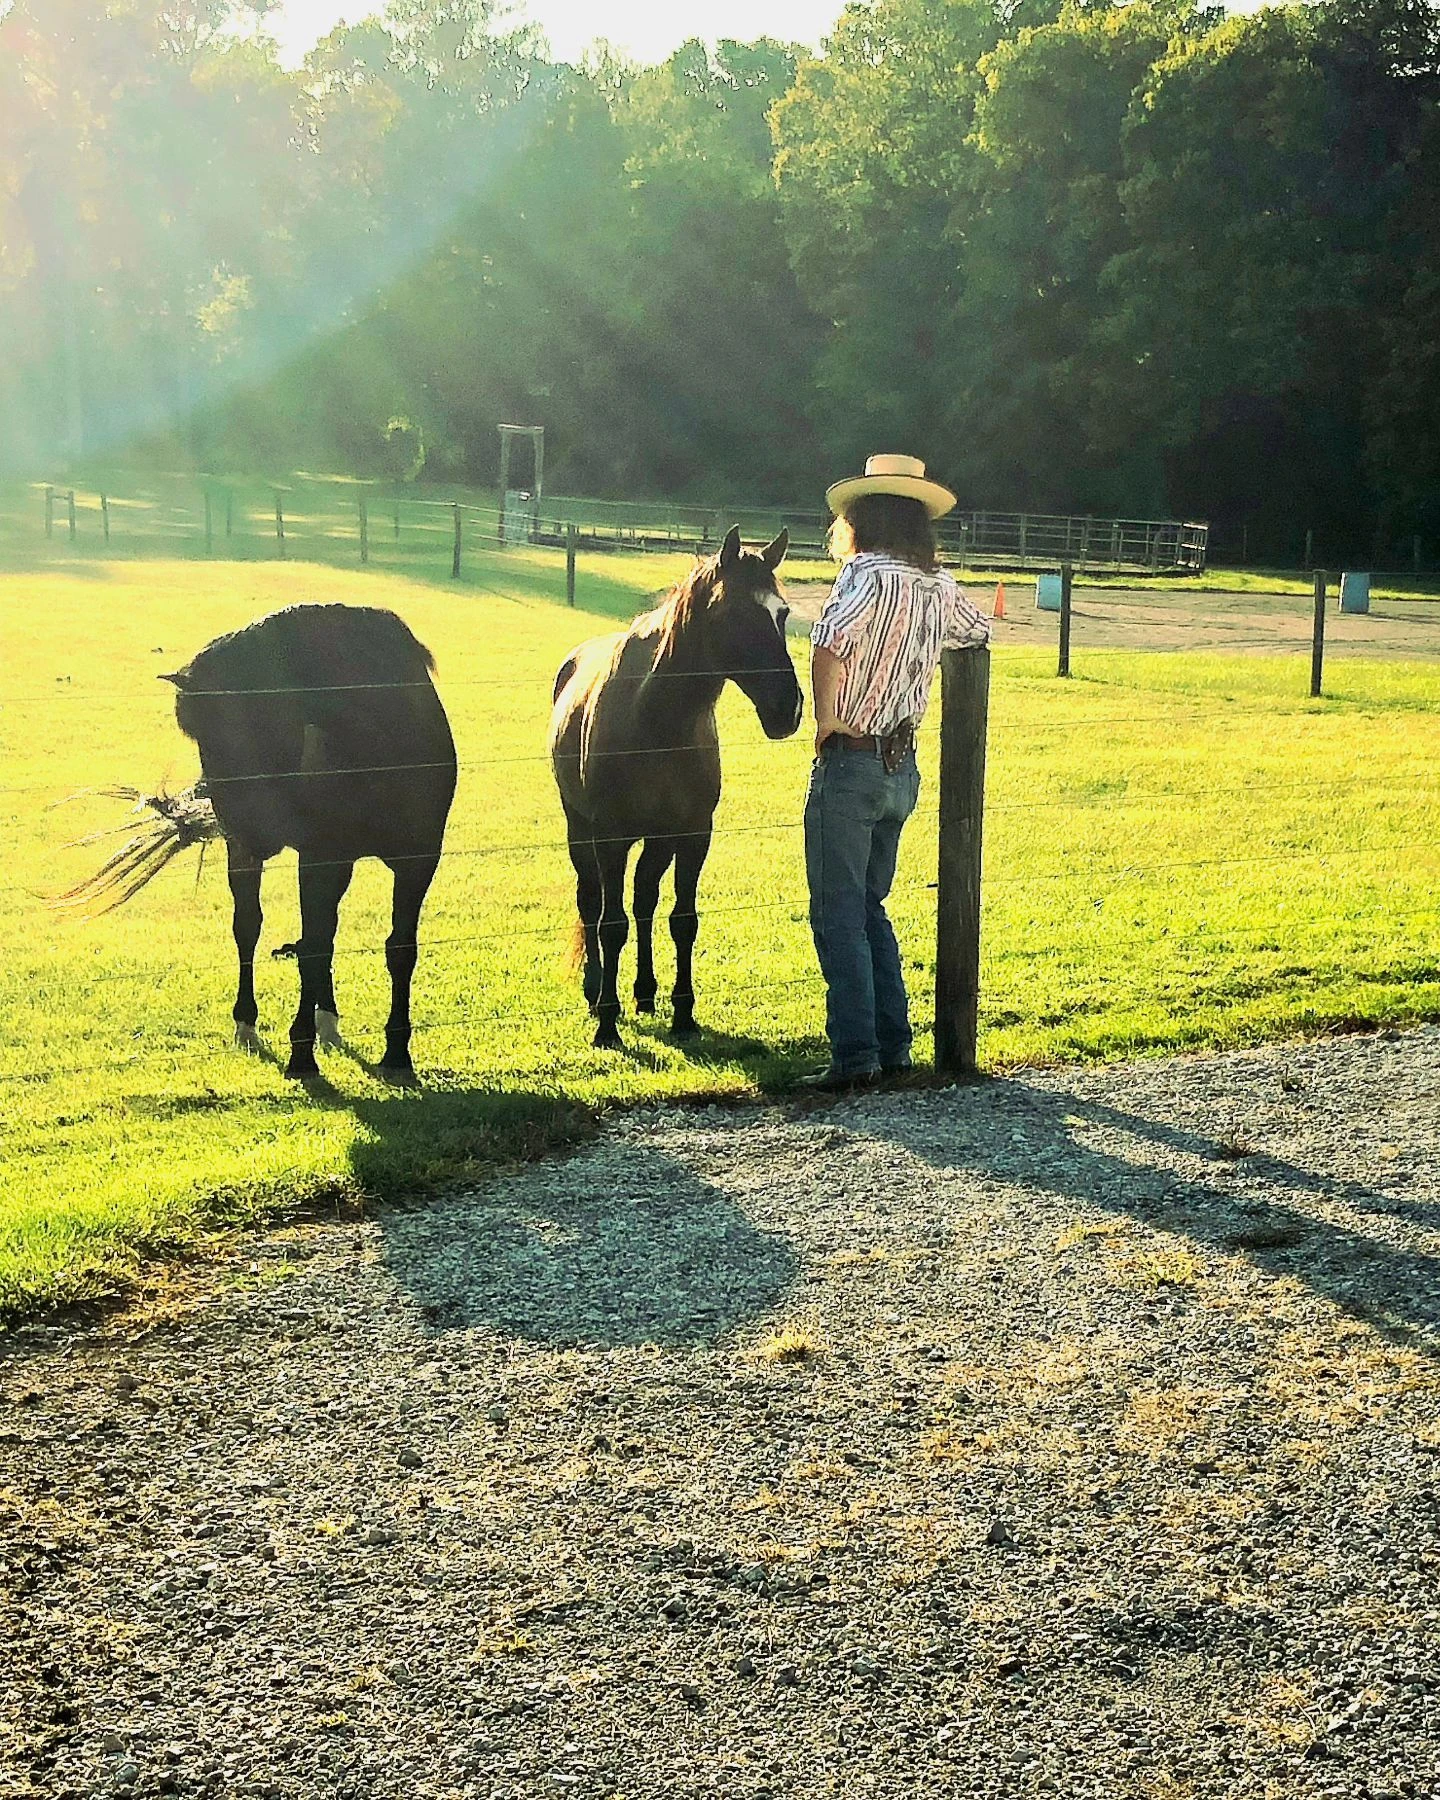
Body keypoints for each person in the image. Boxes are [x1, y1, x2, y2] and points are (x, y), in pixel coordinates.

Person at [803, 453, 990, 1091]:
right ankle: (895, 1043)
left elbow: (828, 638)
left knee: (836, 911)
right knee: (869, 905)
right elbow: (977, 633)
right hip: (901, 765)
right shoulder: (938, 586)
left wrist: (827, 716)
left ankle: (855, 1054)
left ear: (860, 518)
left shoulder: (864, 573)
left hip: (852, 760)